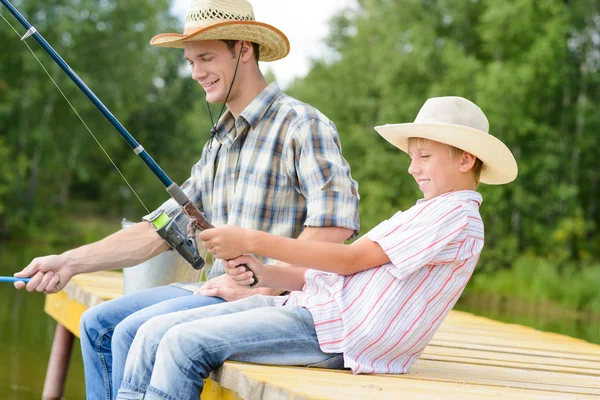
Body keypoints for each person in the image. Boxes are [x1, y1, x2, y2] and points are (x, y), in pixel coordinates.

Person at [12, 0, 359, 398]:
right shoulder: (219, 142)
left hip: (278, 302)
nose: (196, 73)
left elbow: (336, 223)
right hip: (215, 289)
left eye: (206, 58)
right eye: (191, 62)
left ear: (244, 50)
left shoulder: (302, 124)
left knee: (128, 332)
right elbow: (161, 229)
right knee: (97, 324)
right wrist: (69, 262)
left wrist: (263, 284)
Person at [113, 96, 518, 399]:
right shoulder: (426, 212)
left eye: (424, 156)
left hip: (339, 335)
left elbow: (349, 259)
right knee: (151, 332)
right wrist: (265, 274)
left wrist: (250, 239)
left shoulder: (456, 216)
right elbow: (344, 273)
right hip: (313, 311)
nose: (413, 167)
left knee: (183, 344)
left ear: (466, 160)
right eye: (412, 157)